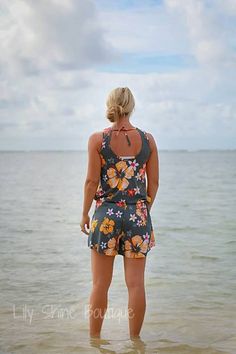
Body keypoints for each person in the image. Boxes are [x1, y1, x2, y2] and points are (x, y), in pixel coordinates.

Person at [80, 87, 159, 339]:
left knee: (99, 284)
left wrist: (84, 214)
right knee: (136, 285)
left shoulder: (97, 140)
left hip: (106, 216)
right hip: (139, 215)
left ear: (111, 105)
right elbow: (154, 184)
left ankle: (95, 342)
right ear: (131, 106)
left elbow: (92, 182)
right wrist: (142, 211)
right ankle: (135, 342)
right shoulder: (148, 140)